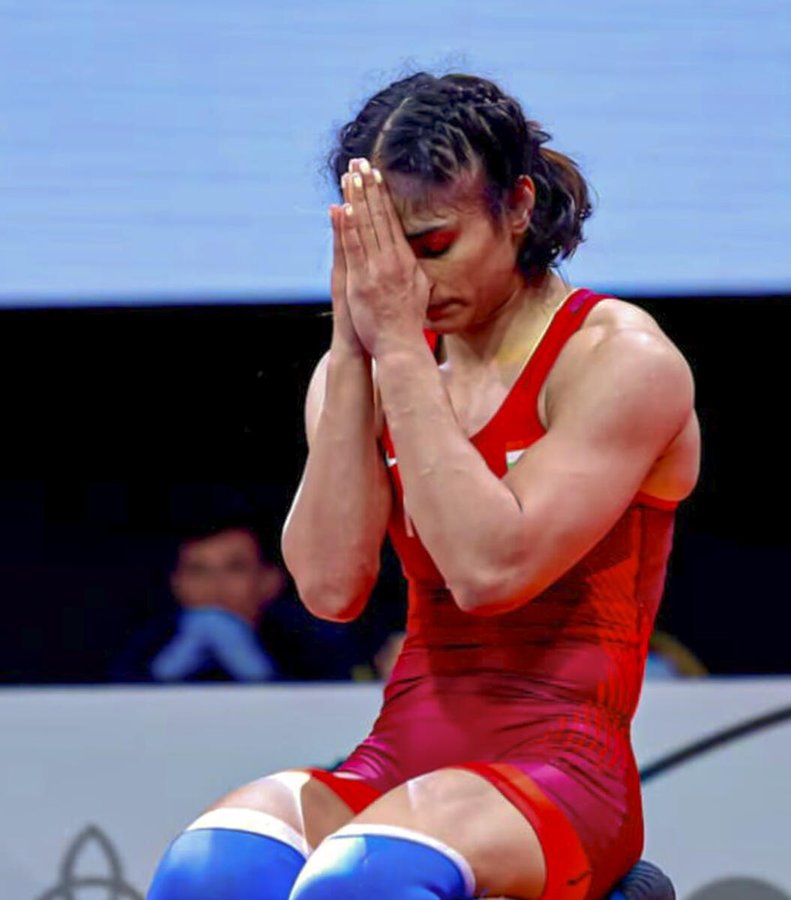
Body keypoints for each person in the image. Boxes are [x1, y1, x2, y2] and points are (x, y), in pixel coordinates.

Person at [148, 72, 700, 899]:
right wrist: (351, 349)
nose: (405, 283)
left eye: (433, 245)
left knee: (363, 882)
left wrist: (400, 351)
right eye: (382, 254)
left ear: (517, 206)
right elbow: (330, 590)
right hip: (402, 758)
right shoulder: (368, 368)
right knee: (209, 873)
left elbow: (488, 573)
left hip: (563, 774)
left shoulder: (618, 358)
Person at [113, 519, 361, 683]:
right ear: (176, 582)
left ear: (270, 580)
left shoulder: (311, 640)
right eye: (198, 570)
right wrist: (168, 669)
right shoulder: (147, 641)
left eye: (235, 568)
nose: (215, 584)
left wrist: (257, 672)